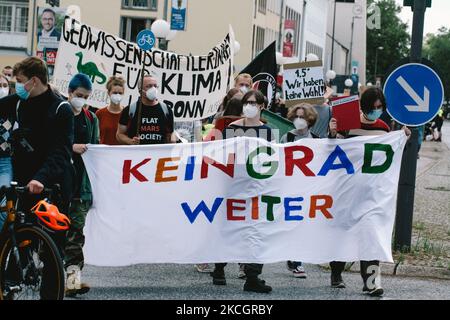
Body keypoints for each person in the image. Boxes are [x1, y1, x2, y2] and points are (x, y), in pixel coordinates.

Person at [328, 87, 411, 297]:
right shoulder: (349, 124)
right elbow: (332, 150)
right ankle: (336, 272)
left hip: (372, 194)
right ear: (363, 106)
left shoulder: (384, 128)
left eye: (380, 107)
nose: (376, 110)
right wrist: (332, 133)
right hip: (348, 191)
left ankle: (371, 283)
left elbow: (389, 154)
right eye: (373, 107)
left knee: (371, 236)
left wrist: (403, 138)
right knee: (344, 233)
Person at [210, 90, 274, 294]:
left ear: (262, 106)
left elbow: (272, 160)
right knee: (229, 227)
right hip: (234, 185)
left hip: (256, 186)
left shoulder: (268, 131)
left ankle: (253, 276)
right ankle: (219, 268)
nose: (250, 106)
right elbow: (225, 157)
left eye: (254, 103)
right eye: (247, 102)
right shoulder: (232, 128)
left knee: (256, 229)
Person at [63, 74, 99, 297]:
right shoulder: (59, 113)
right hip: (59, 183)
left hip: (80, 186)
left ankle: (73, 281)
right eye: (78, 96)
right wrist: (71, 146)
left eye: (85, 97)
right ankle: (51, 277)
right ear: (69, 93)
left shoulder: (90, 119)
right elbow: (48, 143)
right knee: (55, 234)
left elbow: (95, 149)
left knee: (76, 235)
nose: (81, 100)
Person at [280, 103, 319, 279]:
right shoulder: (286, 138)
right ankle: (295, 260)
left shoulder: (317, 140)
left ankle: (296, 258)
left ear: (310, 120)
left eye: (302, 117)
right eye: (297, 116)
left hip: (309, 188)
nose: (299, 120)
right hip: (290, 187)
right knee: (292, 223)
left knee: (303, 224)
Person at [117, 74, 175, 145]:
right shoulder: (130, 110)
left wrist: (172, 139)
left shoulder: (166, 110)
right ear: (140, 90)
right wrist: (130, 141)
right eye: (149, 86)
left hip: (158, 155)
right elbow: (119, 134)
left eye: (155, 86)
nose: (153, 89)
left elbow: (170, 133)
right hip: (137, 154)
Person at [0, 75, 14, 231]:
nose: (2, 88)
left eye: (5, 85)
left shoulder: (11, 109)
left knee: (5, 206)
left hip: (5, 162)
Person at [96, 76, 125, 145]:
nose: (117, 95)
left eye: (120, 93)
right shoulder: (99, 113)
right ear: (109, 93)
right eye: (114, 93)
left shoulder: (127, 113)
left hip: (122, 154)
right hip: (104, 153)